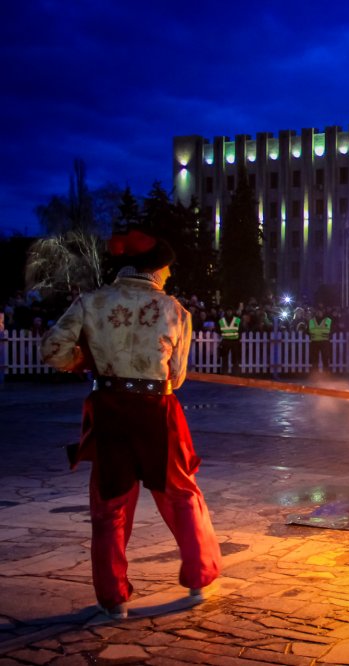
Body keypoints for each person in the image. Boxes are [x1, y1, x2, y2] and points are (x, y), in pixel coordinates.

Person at [40, 228, 221, 620]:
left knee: (111, 504)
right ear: (155, 269)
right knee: (181, 495)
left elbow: (53, 351)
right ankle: (198, 579)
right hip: (157, 411)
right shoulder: (174, 310)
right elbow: (177, 377)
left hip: (110, 408)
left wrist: (84, 360)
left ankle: (115, 598)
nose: (169, 275)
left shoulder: (91, 302)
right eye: (167, 269)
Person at [307, 306, 333, 373]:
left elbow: (332, 330)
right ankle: (315, 374)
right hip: (315, 342)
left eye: (320, 311)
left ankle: (326, 374)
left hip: (324, 342)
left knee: (325, 358)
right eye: (318, 311)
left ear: (323, 312)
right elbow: (307, 331)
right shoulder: (311, 320)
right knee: (315, 359)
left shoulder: (328, 320)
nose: (319, 313)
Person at [218, 307, 241, 374]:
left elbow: (241, 329)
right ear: (226, 312)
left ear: (232, 311)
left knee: (235, 358)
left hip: (234, 341)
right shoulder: (221, 320)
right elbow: (218, 329)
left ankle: (235, 372)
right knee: (225, 358)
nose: (229, 312)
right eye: (228, 311)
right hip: (226, 341)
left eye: (230, 311)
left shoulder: (237, 320)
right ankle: (225, 372)